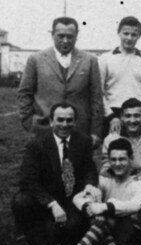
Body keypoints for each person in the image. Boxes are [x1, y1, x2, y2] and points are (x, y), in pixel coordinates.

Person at [11, 103, 98, 245]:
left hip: (70, 198)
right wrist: (52, 204)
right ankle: (34, 228)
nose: (64, 125)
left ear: (75, 122)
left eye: (69, 120)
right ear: (51, 121)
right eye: (60, 120)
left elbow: (89, 168)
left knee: (72, 231)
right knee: (22, 201)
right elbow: (28, 180)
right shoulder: (36, 144)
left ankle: (53, 230)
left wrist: (90, 185)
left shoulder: (83, 141)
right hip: (45, 198)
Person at [57, 138, 141, 245]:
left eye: (122, 159)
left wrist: (104, 208)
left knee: (112, 215)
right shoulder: (104, 179)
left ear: (131, 158)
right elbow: (77, 197)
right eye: (113, 159)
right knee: (93, 211)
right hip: (103, 228)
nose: (117, 164)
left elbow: (135, 205)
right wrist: (89, 208)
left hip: (129, 231)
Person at [18, 17, 103, 148]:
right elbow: (24, 93)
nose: (65, 40)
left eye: (70, 36)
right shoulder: (36, 59)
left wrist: (96, 132)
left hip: (80, 131)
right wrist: (30, 122)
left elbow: (96, 97)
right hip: (44, 128)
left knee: (78, 168)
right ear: (52, 35)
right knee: (45, 167)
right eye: (60, 36)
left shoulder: (90, 60)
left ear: (77, 36)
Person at [99, 16, 141, 134]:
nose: (129, 38)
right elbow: (99, 94)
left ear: (139, 36)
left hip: (138, 115)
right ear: (119, 33)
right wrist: (110, 116)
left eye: (134, 35)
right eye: (125, 33)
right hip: (113, 116)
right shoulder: (105, 59)